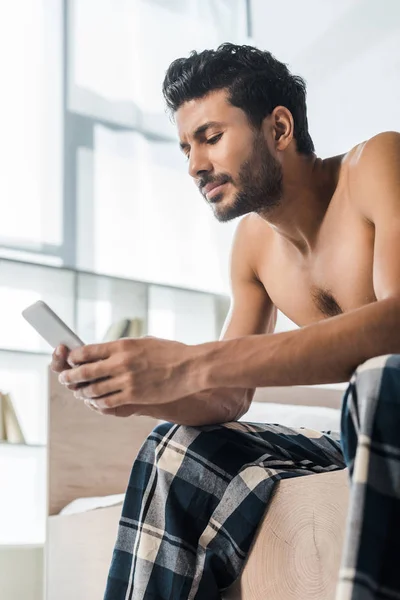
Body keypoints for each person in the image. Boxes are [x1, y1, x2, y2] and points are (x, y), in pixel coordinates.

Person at [51, 43, 400, 599]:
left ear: (279, 128)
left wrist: (191, 362)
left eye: (211, 138)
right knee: (177, 449)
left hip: (387, 404)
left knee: (382, 381)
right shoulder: (253, 247)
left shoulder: (378, 164)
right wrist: (140, 391)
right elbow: (228, 397)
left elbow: (394, 327)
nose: (194, 165)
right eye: (187, 147)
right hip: (358, 428)